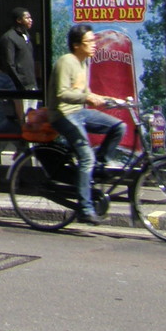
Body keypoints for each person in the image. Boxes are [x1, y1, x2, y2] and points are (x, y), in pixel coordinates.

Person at [48, 24, 128, 225]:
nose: (94, 45)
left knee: (119, 126)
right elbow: (62, 94)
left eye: (94, 41)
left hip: (79, 112)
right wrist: (89, 98)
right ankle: (85, 208)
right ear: (76, 45)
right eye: (89, 42)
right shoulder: (66, 62)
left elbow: (86, 92)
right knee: (86, 157)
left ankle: (100, 163)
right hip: (63, 114)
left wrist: (109, 100)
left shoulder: (84, 63)